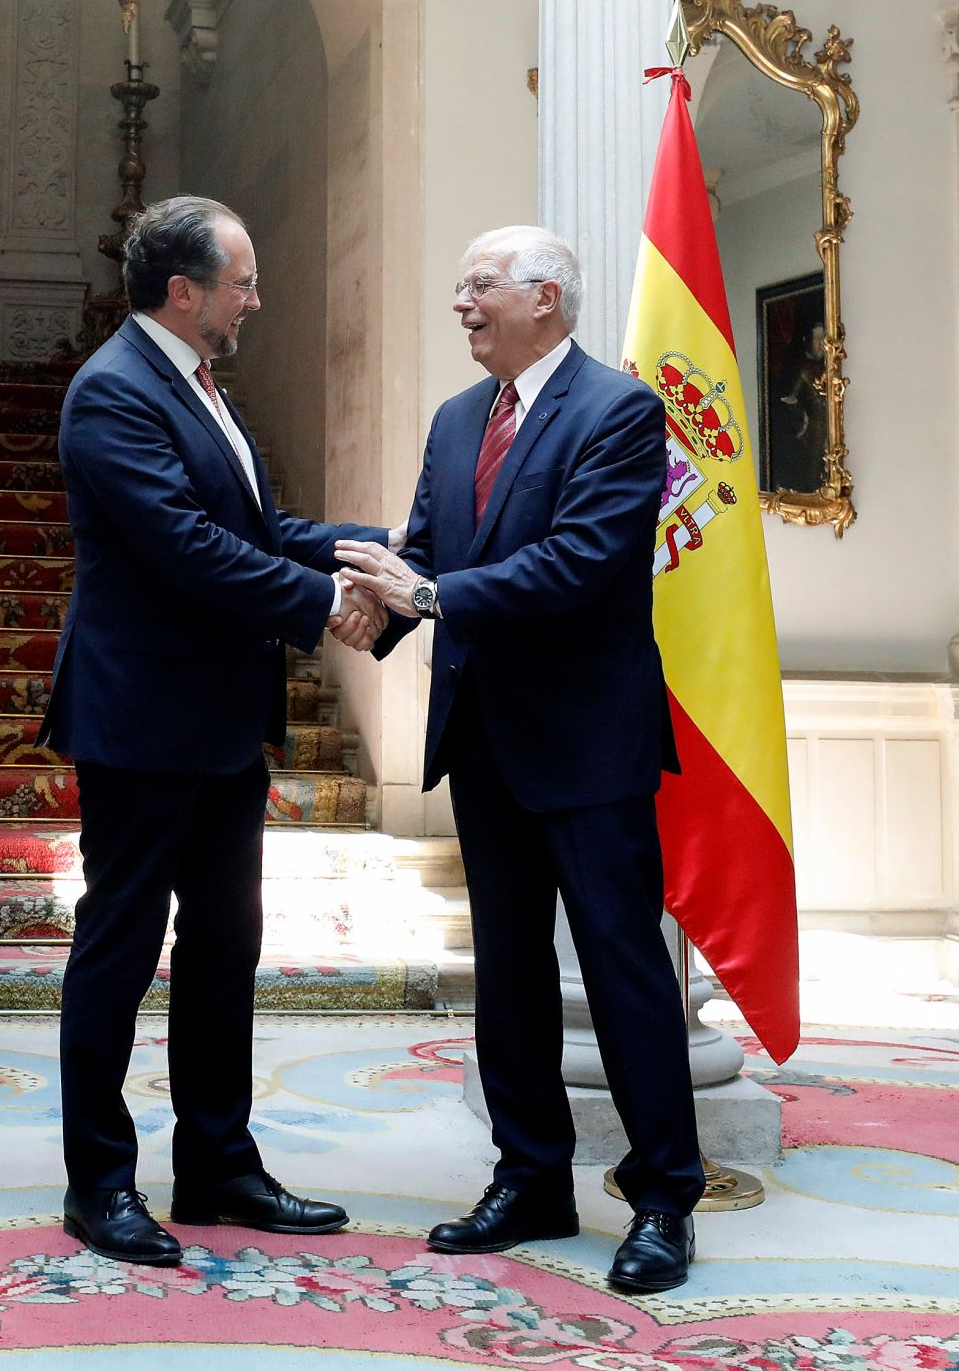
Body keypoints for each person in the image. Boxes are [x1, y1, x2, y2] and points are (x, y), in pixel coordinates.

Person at [335, 224, 704, 1295]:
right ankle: (531, 1174)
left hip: (589, 743)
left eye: (480, 285)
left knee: (625, 972)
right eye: (458, 285)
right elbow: (430, 551)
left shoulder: (621, 410)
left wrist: (432, 596)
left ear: (546, 297)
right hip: (485, 738)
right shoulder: (459, 420)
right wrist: (370, 606)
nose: (462, 302)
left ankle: (664, 1195)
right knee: (509, 974)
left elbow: (584, 560)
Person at [38, 194, 392, 1268]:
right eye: (241, 278)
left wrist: (390, 548)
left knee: (226, 943)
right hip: (142, 720)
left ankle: (218, 1163)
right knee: (119, 947)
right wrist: (322, 602)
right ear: (183, 290)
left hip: (223, 723)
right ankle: (98, 1181)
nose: (256, 296)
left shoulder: (197, 387)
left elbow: (260, 530)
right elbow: (185, 547)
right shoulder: (111, 393)